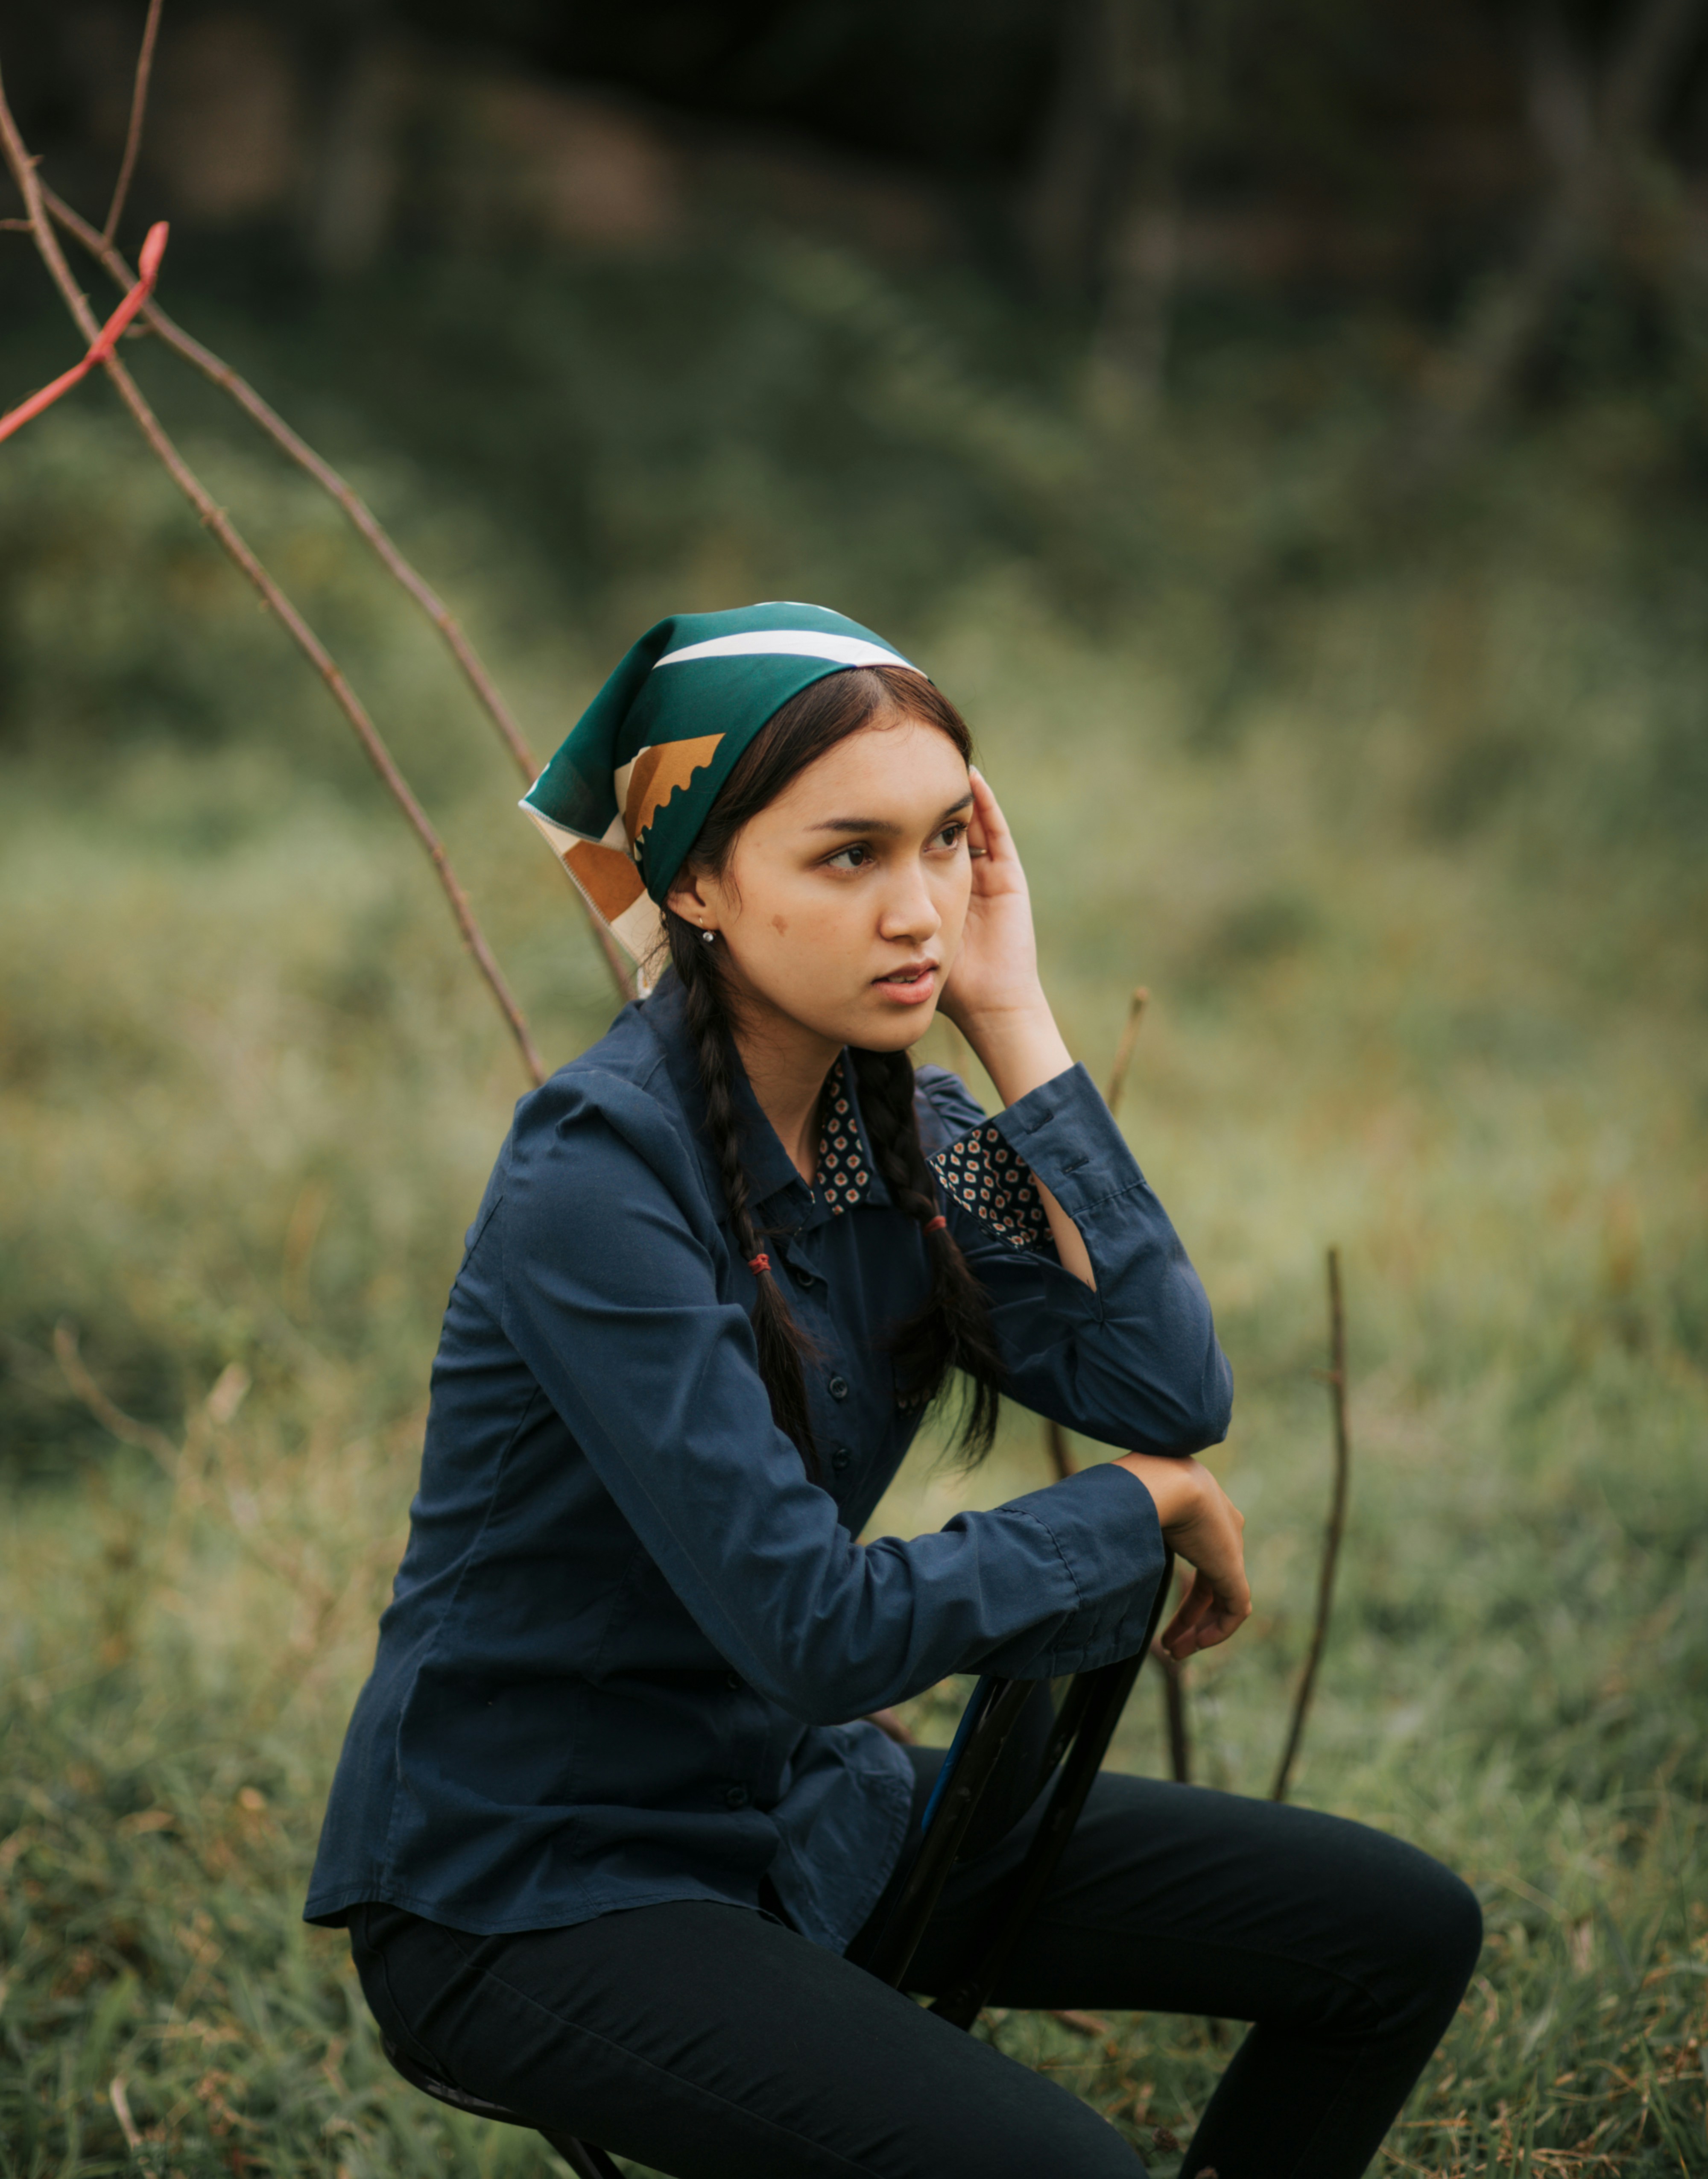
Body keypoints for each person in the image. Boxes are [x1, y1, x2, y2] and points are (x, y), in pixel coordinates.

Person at [305, 603, 1480, 2178]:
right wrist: (1126, 1510)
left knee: (1395, 1933)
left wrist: (1015, 1018)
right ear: (703, 883)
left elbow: (1162, 1380)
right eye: (848, 856)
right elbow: (816, 1630)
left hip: (793, 1810)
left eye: (943, 846)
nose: (917, 907)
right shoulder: (599, 1179)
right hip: (532, 1885)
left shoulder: (901, 1137)